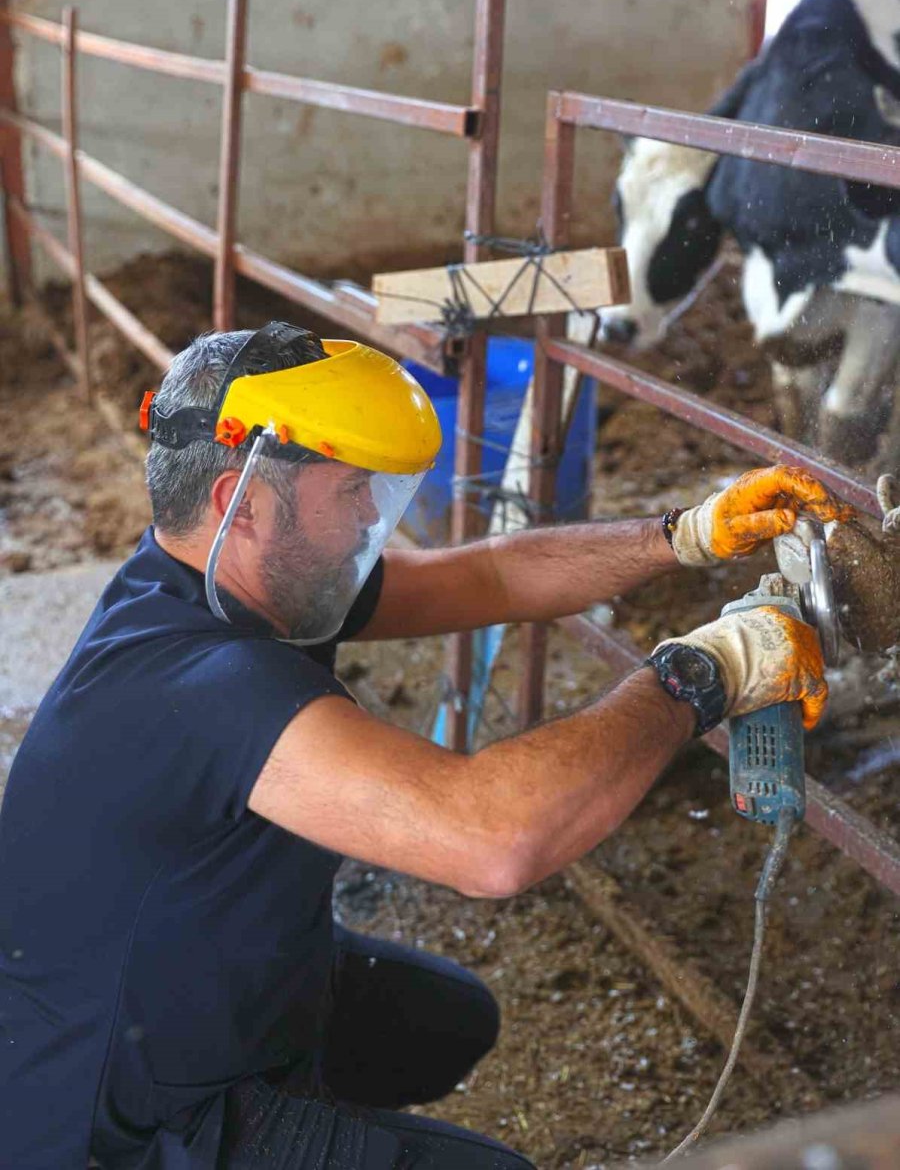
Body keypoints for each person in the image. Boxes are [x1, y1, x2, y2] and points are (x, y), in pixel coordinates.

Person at [0, 322, 851, 1170]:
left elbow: (489, 575)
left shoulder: (217, 580)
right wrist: (704, 672)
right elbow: (496, 838)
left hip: (177, 992)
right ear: (241, 501)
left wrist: (685, 534)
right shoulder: (207, 682)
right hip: (117, 1121)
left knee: (446, 1020)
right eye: (353, 490)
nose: (373, 512)